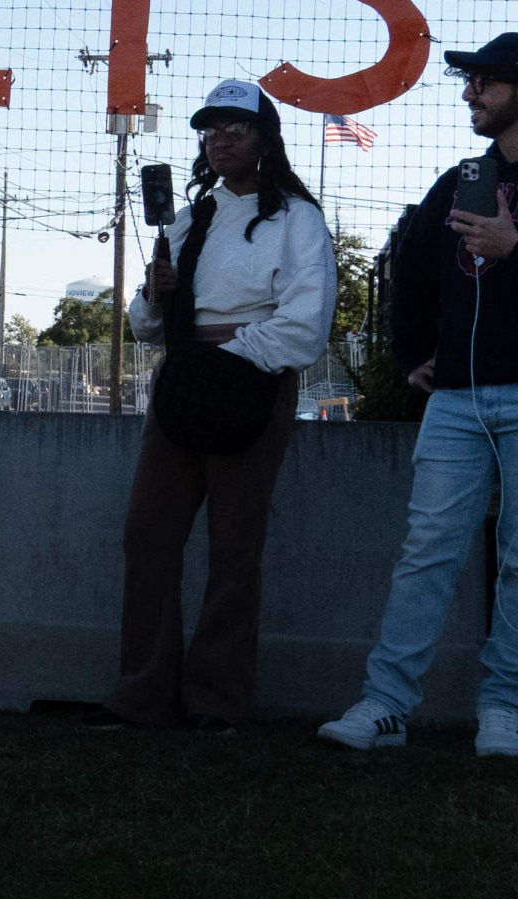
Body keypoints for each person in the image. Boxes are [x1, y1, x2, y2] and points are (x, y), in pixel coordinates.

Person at [320, 32, 518, 760]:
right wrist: (410, 353)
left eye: (484, 82)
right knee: (426, 551)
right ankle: (387, 704)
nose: (469, 92)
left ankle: (502, 710)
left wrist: (516, 250)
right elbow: (411, 267)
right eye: (469, 82)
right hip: (458, 401)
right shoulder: (462, 175)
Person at [93, 80, 336, 734]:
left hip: (250, 383)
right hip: (184, 381)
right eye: (211, 128)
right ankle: (143, 693)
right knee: (148, 534)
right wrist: (154, 294)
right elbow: (145, 326)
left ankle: (215, 700)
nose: (221, 137)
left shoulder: (297, 218)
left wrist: (228, 353)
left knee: (234, 548)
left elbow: (306, 325)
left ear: (265, 137)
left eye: (237, 126)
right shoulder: (190, 216)